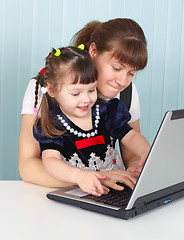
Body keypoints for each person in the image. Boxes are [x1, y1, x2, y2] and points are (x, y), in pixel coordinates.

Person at [19, 18, 148, 190]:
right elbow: (28, 167)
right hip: (63, 192)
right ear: (93, 51)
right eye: (116, 68)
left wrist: (136, 167)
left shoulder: (119, 100)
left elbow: (131, 147)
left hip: (108, 190)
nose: (123, 81)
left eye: (131, 73)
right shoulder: (44, 88)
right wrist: (94, 178)